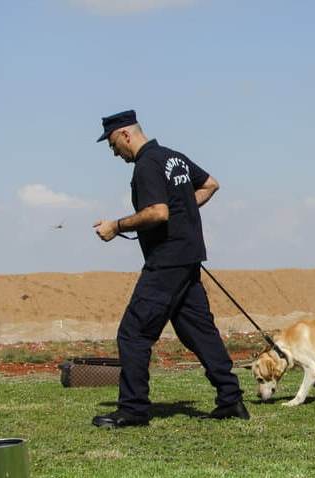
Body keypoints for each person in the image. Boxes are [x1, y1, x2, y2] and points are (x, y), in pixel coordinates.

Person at [92, 110, 249, 428]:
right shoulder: (172, 158)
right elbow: (210, 184)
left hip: (166, 262)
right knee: (198, 332)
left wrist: (116, 226)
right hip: (188, 258)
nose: (113, 152)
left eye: (112, 144)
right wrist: (184, 208)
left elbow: (158, 212)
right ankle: (231, 400)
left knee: (133, 334)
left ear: (125, 135)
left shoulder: (147, 164)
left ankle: (133, 410)